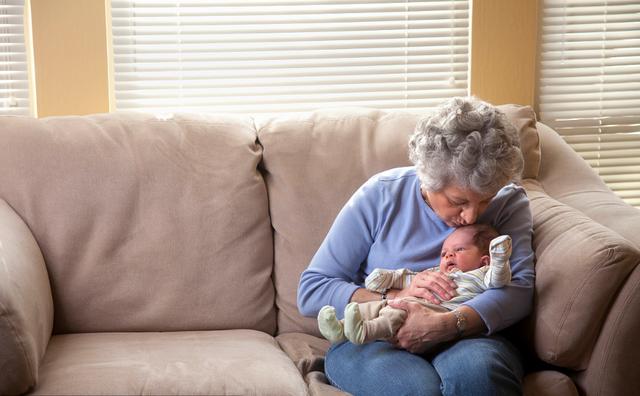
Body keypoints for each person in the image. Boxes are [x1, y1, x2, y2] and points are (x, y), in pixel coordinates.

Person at [297, 96, 535, 396]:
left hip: (467, 335)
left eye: (485, 199)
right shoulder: (381, 195)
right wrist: (396, 295)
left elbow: (519, 290)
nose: (473, 216)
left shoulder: (509, 201)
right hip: (376, 337)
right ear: (428, 179)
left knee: (480, 375)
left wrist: (448, 324)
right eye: (458, 202)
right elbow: (312, 288)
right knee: (418, 390)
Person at [317, 224, 512, 345]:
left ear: (485, 261)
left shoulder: (480, 274)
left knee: (397, 313)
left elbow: (499, 279)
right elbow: (406, 277)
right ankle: (340, 328)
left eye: (459, 249)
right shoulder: (435, 272)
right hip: (404, 302)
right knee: (373, 308)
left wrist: (500, 258)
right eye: (444, 253)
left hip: (436, 312)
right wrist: (387, 278)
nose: (448, 256)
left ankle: (365, 331)